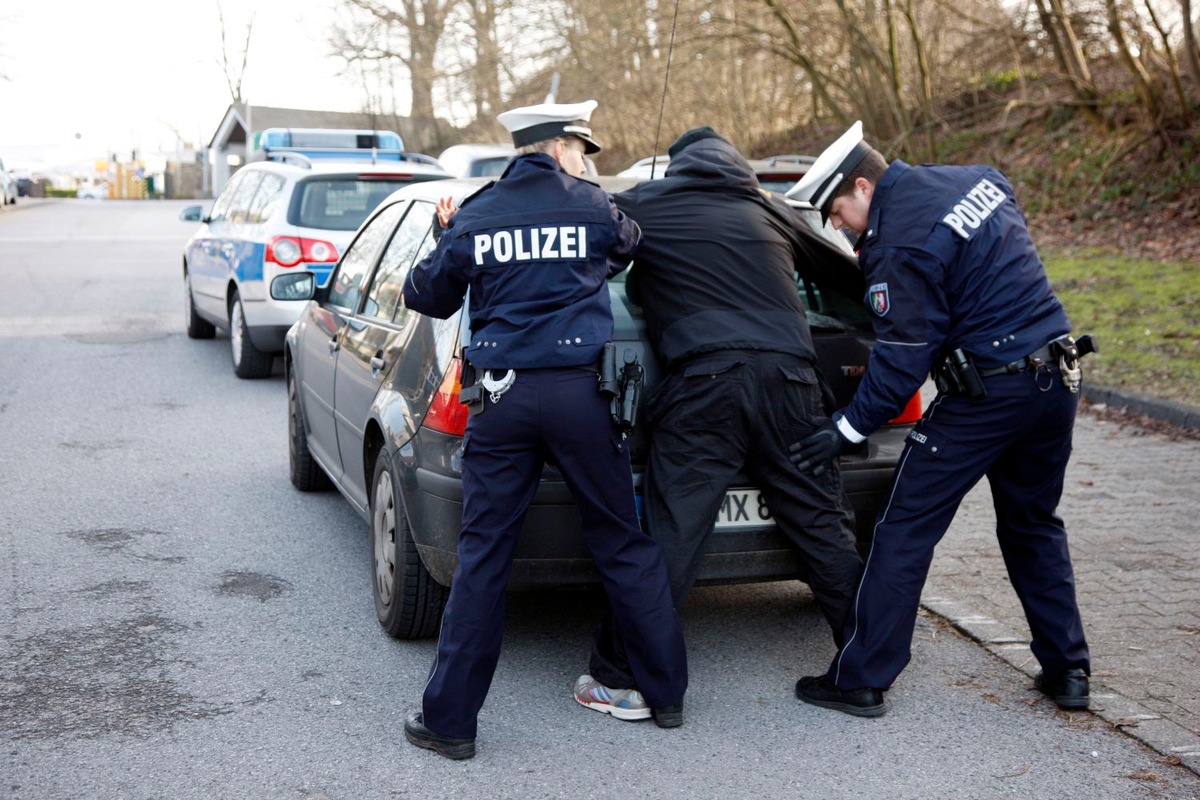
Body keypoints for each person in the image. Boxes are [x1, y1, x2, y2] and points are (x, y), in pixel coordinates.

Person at [399, 100, 688, 760]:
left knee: (483, 558)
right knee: (620, 538)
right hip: (582, 394)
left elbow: (429, 296)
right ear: (558, 146)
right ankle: (665, 693)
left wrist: (446, 236)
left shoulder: (476, 213)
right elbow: (629, 247)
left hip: (501, 399)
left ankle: (449, 723)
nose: (586, 161)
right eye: (582, 150)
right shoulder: (590, 206)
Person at [787, 121, 1092, 717]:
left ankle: (861, 679)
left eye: (837, 212)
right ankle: (1070, 671)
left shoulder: (897, 242)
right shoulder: (978, 179)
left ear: (862, 186)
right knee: (1034, 526)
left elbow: (902, 360)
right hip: (1056, 378)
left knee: (904, 528)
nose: (840, 228)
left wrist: (846, 430)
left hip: (987, 397)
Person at [583, 126, 865, 704]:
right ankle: (866, 670)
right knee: (821, 523)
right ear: (737, 165)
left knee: (673, 533)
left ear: (677, 167)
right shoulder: (769, 208)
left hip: (703, 384)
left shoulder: (646, 204)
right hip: (792, 381)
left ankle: (622, 676)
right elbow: (847, 278)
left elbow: (578, 255)